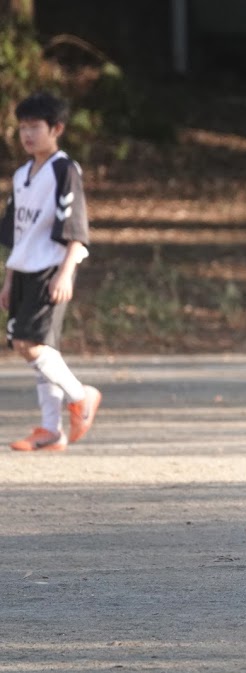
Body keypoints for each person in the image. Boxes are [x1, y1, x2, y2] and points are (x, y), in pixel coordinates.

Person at [0, 92, 102, 452]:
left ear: (56, 128)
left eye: (35, 127)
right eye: (22, 128)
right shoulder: (21, 175)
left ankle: (81, 396)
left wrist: (65, 272)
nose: (27, 135)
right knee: (41, 349)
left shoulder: (64, 169)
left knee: (29, 344)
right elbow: (18, 233)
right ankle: (50, 429)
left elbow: (76, 228)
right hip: (24, 270)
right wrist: (9, 279)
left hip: (51, 268)